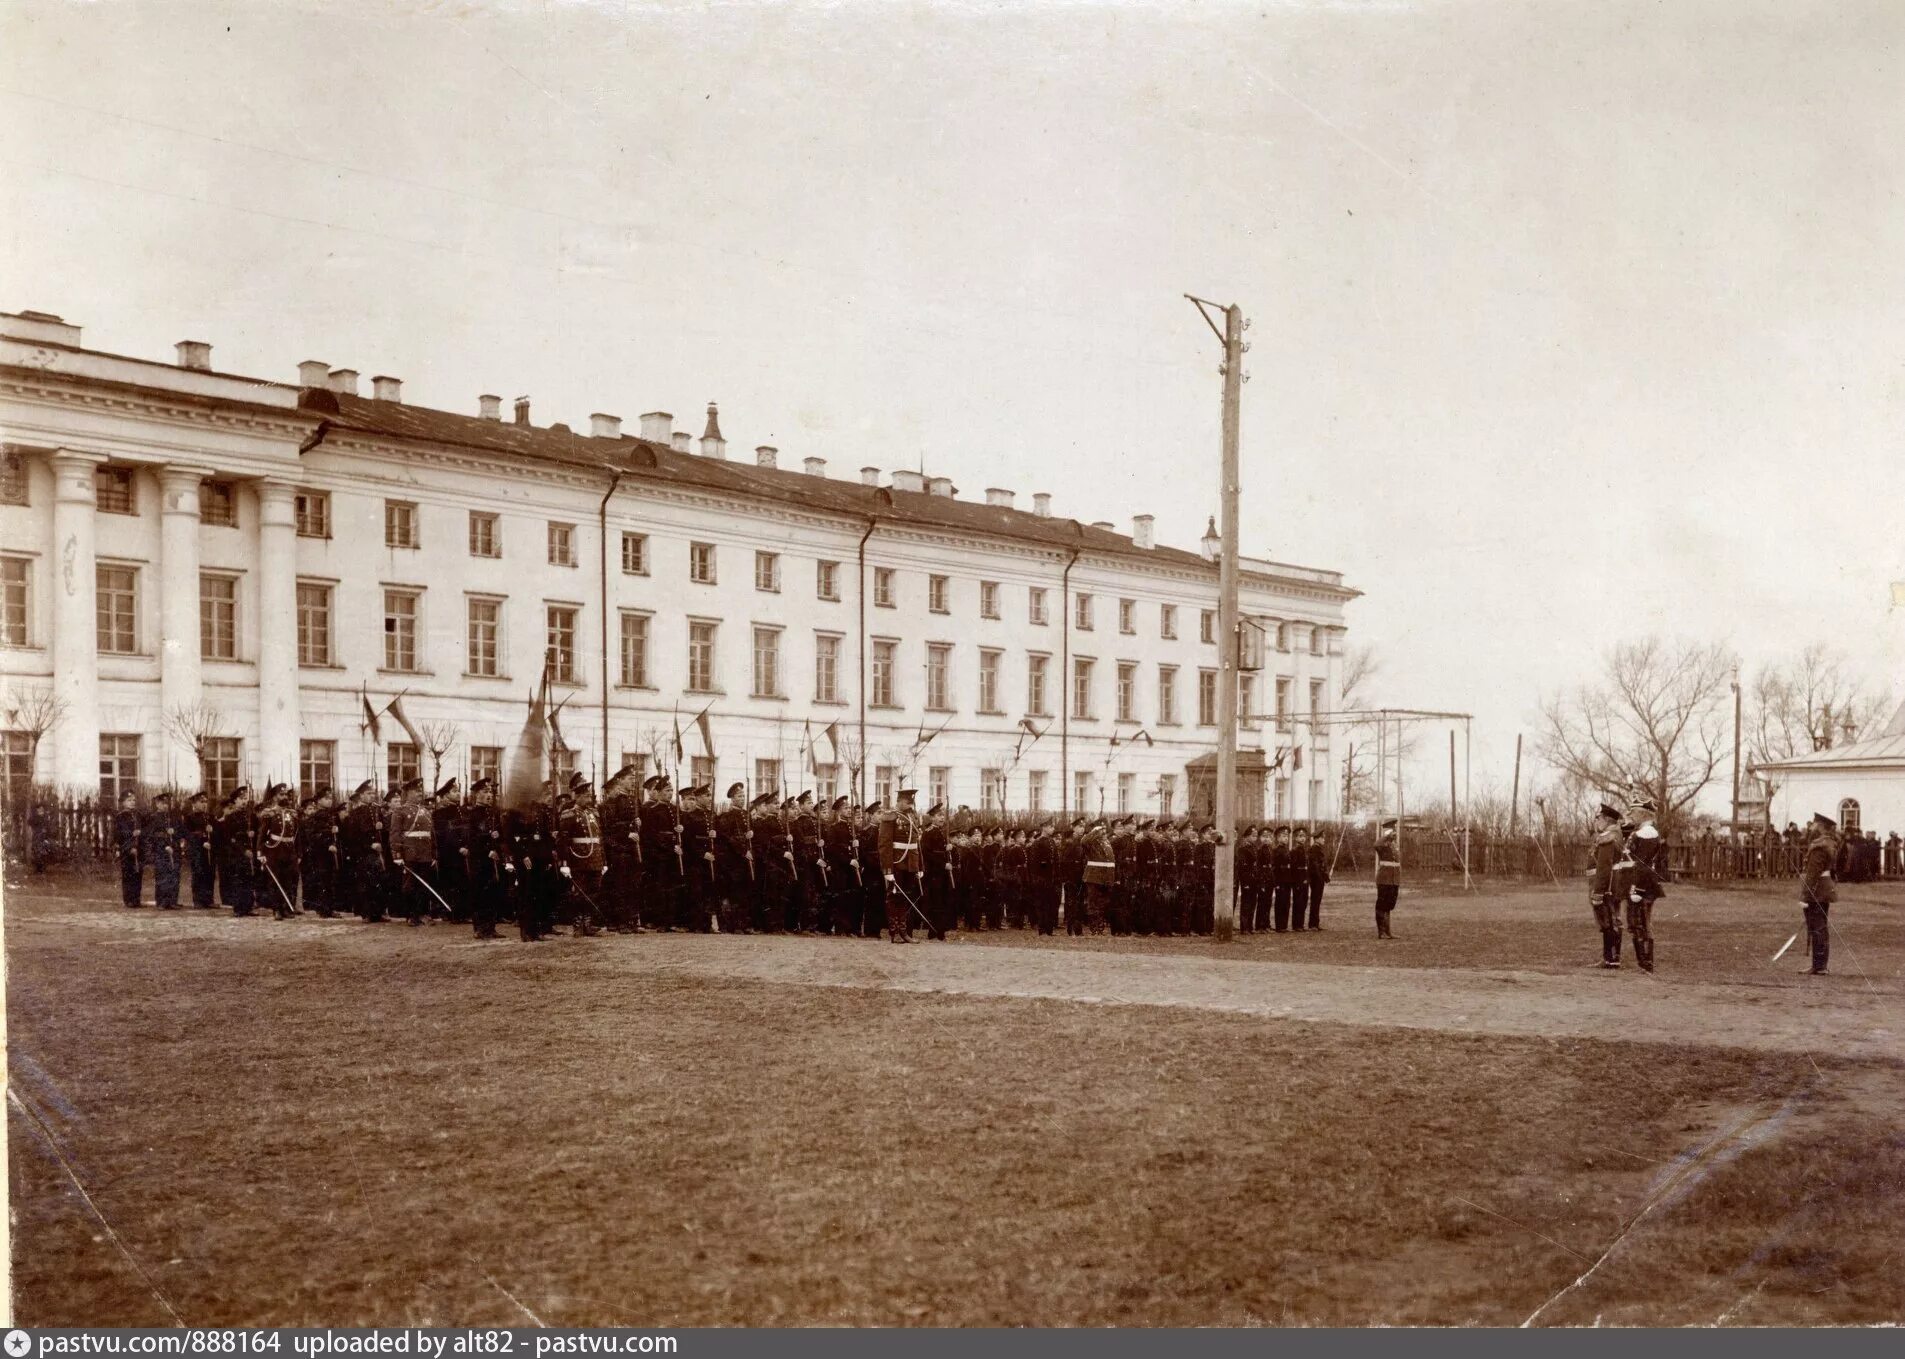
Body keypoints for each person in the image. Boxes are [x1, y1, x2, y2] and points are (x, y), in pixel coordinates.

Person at [1620, 797, 1667, 973]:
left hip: (1641, 886)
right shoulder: (1647, 833)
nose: (1630, 815)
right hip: (1645, 885)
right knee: (1642, 924)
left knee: (1639, 923)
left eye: (1633, 812)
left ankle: (1646, 964)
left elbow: (1642, 865)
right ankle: (1646, 963)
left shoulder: (1643, 834)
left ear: (1642, 813)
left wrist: (1636, 888)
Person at [879, 785, 924, 943]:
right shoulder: (890, 816)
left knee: (906, 898)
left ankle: (904, 931)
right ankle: (895, 932)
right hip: (896, 863)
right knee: (894, 897)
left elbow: (917, 845)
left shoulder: (912, 817)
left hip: (910, 863)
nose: (910, 805)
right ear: (899, 801)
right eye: (907, 802)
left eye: (911, 802)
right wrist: (888, 869)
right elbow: (884, 844)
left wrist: (919, 867)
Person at [1799, 811, 1839, 976]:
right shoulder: (1829, 844)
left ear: (1821, 827)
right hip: (1824, 888)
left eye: (1815, 824)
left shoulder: (1819, 847)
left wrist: (1805, 896)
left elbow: (1812, 874)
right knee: (1820, 926)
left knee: (1817, 927)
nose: (1812, 826)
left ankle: (1819, 966)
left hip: (1817, 890)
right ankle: (1819, 965)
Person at [339, 781, 386, 921]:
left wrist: (381, 829)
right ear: (361, 796)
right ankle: (367, 913)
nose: (372, 796)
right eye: (368, 794)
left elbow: (384, 832)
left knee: (379, 881)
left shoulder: (377, 811)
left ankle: (379, 912)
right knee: (365, 883)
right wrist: (370, 845)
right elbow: (352, 837)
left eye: (373, 793)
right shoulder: (355, 814)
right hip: (363, 853)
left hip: (377, 853)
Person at [465, 778, 505, 939]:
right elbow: (470, 839)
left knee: (493, 892)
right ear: (476, 795)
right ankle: (479, 928)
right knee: (479, 892)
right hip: (479, 859)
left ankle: (491, 927)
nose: (489, 795)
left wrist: (498, 838)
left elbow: (501, 834)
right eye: (485, 792)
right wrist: (486, 850)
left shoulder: (494, 813)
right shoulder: (472, 814)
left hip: (493, 858)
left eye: (490, 792)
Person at [1587, 802, 1624, 967]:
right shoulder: (1615, 835)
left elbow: (1604, 867)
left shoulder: (1607, 837)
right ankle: (1613, 958)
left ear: (1607, 820)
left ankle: (1609, 959)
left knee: (1607, 921)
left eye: (1598, 818)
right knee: (1613, 920)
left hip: (1605, 886)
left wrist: (1598, 892)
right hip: (1612, 885)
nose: (1596, 821)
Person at [257, 784, 300, 918]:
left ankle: (286, 908)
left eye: (286, 794)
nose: (284, 797)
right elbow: (262, 835)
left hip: (289, 850)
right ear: (275, 797)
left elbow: (297, 835)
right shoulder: (269, 814)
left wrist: (298, 852)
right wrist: (260, 852)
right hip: (274, 850)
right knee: (275, 880)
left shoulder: (292, 813)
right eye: (281, 795)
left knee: (289, 879)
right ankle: (276, 909)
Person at [299, 786, 339, 917]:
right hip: (320, 854)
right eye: (326, 798)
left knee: (330, 880)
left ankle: (329, 908)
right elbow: (312, 836)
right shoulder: (314, 817)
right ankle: (323, 909)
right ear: (319, 801)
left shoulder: (331, 815)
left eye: (330, 798)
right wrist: (327, 844)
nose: (329, 801)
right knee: (322, 880)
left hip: (331, 853)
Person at [217, 785, 258, 916]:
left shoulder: (250, 816)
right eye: (241, 799)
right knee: (238, 880)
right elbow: (230, 838)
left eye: (245, 798)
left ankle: (248, 906)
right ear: (235, 801)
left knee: (249, 879)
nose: (244, 801)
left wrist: (252, 833)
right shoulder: (231, 817)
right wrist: (243, 850)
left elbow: (256, 832)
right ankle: (239, 908)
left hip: (249, 852)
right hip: (236, 853)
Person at [433, 778, 469, 923]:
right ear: (446, 795)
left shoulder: (463, 811)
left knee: (463, 882)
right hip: (449, 854)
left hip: (464, 852)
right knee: (451, 883)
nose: (458, 793)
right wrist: (458, 847)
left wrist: (467, 845)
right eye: (454, 791)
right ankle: (453, 914)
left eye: (458, 791)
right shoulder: (440, 814)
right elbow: (444, 835)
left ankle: (463, 912)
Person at [143, 791, 185, 909]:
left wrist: (178, 838)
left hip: (174, 850)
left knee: (174, 875)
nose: (166, 806)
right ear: (157, 804)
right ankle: (161, 902)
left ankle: (172, 901)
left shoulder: (174, 818)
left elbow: (181, 832)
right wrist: (164, 845)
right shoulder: (153, 818)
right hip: (161, 852)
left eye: (167, 803)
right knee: (162, 876)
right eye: (163, 803)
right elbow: (151, 835)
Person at [113, 789, 143, 908]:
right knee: (128, 874)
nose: (132, 802)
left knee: (138, 873)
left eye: (134, 800)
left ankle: (136, 899)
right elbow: (118, 834)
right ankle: (129, 899)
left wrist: (140, 833)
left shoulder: (138, 815)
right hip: (127, 849)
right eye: (129, 800)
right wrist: (131, 835)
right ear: (123, 802)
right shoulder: (120, 816)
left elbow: (144, 829)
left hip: (139, 848)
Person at [1373, 818, 1400, 939]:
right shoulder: (1382, 843)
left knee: (1389, 905)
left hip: (1393, 879)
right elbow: (1376, 844)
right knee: (1382, 905)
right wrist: (1387, 836)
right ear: (1387, 831)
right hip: (1384, 879)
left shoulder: (1394, 844)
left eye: (1394, 829)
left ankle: (1388, 931)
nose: (1394, 832)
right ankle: (1381, 932)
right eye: (1392, 830)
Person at [1304, 825, 1330, 930]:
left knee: (1317, 901)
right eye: (1322, 838)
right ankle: (1313, 924)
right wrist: (1321, 877)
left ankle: (1315, 923)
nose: (1324, 839)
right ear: (1317, 838)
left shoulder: (1318, 849)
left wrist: (1326, 877)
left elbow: (1322, 866)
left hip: (1319, 879)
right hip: (1316, 879)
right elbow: (1315, 867)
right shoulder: (1314, 849)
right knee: (1315, 901)